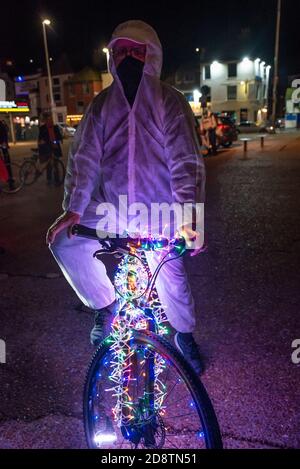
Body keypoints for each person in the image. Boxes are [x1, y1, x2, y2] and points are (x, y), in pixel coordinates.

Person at [46, 20, 206, 374]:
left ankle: (184, 335)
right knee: (64, 241)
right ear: (112, 57)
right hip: (112, 211)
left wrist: (189, 220)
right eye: (122, 51)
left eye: (137, 51)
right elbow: (84, 158)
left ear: (152, 56)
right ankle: (107, 303)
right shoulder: (100, 106)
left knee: (172, 279)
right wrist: (73, 210)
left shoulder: (171, 102)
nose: (129, 58)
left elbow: (186, 163)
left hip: (162, 213)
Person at [37, 112, 63, 184]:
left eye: (51, 119)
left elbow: (59, 136)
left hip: (55, 148)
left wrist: (59, 140)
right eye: (48, 119)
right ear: (46, 121)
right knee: (49, 165)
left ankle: (57, 179)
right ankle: (49, 179)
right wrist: (42, 142)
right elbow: (40, 138)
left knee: (56, 164)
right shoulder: (42, 128)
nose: (50, 121)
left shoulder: (55, 127)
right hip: (47, 148)